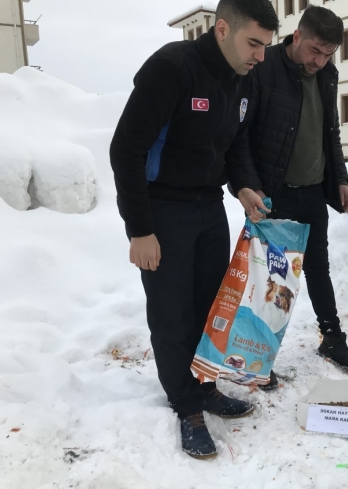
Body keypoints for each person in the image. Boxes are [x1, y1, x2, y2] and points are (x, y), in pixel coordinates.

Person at [109, 0, 279, 460]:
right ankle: (185, 405)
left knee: (209, 308)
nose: (261, 56)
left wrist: (243, 185)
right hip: (162, 209)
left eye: (266, 46)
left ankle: (204, 386)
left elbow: (235, 142)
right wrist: (139, 229)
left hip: (208, 207)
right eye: (254, 43)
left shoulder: (243, 78)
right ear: (222, 29)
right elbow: (125, 149)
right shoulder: (171, 69)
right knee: (172, 313)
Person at [231, 5, 348, 390]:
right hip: (272, 195)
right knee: (273, 276)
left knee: (318, 268)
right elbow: (240, 137)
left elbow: (331, 131)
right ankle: (257, 355)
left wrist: (338, 177)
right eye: (315, 51)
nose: (320, 61)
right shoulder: (264, 68)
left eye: (328, 55)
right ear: (298, 36)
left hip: (312, 190)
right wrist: (250, 187)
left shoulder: (326, 74)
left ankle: (332, 339)